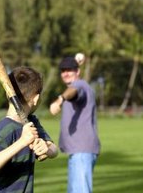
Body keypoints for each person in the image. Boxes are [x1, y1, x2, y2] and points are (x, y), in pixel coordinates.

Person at [0, 67, 59, 192]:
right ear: (36, 99)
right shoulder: (5, 127)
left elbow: (54, 150)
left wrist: (47, 148)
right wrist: (22, 142)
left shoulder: (31, 121)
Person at [50, 57, 100, 193]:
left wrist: (60, 100)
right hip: (76, 152)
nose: (65, 73)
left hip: (82, 151)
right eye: (63, 70)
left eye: (69, 70)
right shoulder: (76, 85)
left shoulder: (80, 85)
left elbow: (73, 92)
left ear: (77, 71)